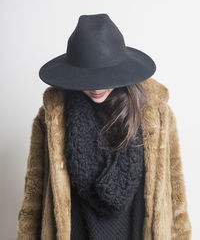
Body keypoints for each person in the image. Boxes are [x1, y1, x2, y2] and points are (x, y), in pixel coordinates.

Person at [17, 13, 192, 240]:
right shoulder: (52, 118)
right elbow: (34, 196)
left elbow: (175, 191)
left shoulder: (156, 114)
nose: (97, 87)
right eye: (88, 78)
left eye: (105, 77)